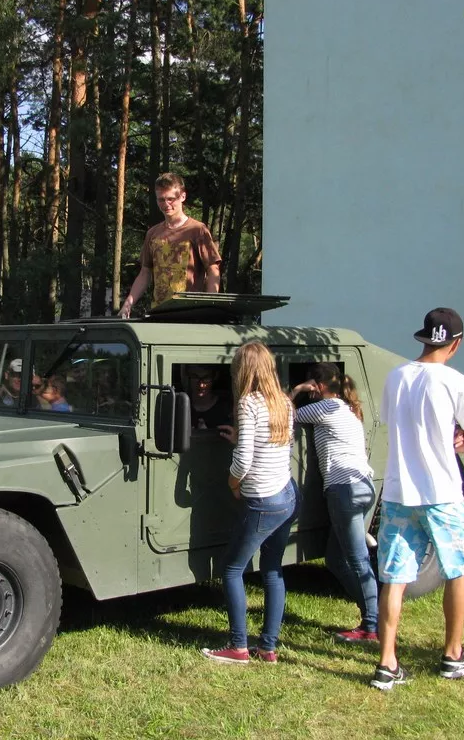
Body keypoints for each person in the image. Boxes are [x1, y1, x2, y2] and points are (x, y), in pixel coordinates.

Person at [371, 308, 464, 690]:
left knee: (395, 576)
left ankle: (387, 662)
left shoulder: (396, 377)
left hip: (399, 491)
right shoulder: (456, 382)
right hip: (441, 492)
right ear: (455, 344)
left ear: (423, 339)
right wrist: (457, 439)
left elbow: (396, 424)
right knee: (457, 570)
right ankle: (453, 654)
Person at [201, 341, 298, 665]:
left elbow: (243, 461)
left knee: (231, 570)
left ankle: (239, 647)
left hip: (262, 499)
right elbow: (280, 444)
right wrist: (241, 436)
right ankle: (268, 647)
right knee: (272, 570)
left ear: (243, 369)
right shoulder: (283, 401)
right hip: (286, 494)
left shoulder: (248, 402)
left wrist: (233, 483)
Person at [291, 363, 379, 644]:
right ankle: (372, 615)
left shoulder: (325, 408)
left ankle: (373, 625)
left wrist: (296, 390)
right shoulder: (346, 409)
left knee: (356, 560)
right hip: (362, 486)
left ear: (318, 386)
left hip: (345, 490)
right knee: (335, 559)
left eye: (311, 384)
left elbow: (285, 415)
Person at [118, 173, 222, 318]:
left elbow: (213, 269)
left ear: (183, 197)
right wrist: (128, 304)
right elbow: (145, 273)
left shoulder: (197, 230)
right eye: (161, 199)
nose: (166, 204)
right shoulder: (152, 233)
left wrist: (210, 307)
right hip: (159, 313)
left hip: (190, 314)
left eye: (171, 199)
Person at [185, 365, 231, 429]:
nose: (201, 385)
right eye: (195, 377)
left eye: (206, 378)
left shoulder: (226, 408)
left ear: (215, 377)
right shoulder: (181, 407)